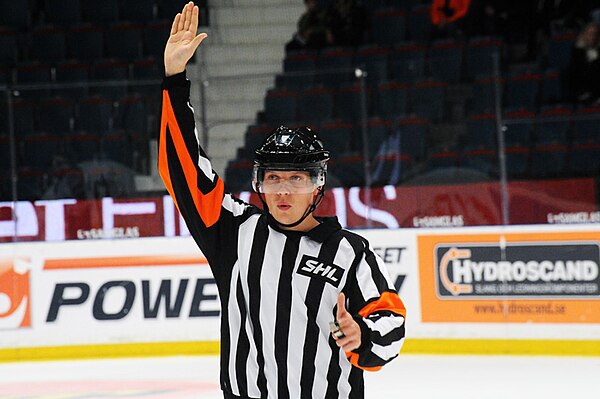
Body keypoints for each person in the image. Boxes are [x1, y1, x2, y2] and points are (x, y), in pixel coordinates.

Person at [159, 3, 406, 399]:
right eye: (273, 178)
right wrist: (175, 79)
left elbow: (391, 323)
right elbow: (182, 173)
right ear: (259, 183)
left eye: (296, 178)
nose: (284, 190)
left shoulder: (350, 252)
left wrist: (363, 335)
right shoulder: (235, 232)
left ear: (317, 186)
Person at [566, 21, 600, 104]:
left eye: (594, 34)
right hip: (583, 83)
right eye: (589, 33)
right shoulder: (578, 48)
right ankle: (583, 94)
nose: (591, 37)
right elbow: (576, 66)